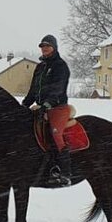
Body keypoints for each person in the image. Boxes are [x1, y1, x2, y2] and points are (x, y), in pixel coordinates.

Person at [21, 34, 72, 186]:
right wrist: (24, 105)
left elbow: (57, 89)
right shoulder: (40, 67)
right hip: (41, 108)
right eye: (42, 46)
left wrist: (47, 105)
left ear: (54, 47)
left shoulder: (60, 66)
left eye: (47, 46)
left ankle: (64, 172)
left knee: (55, 133)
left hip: (57, 107)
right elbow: (33, 90)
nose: (44, 49)